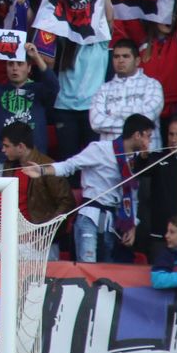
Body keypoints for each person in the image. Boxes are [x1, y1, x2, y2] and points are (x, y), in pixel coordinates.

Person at [26, 112, 155, 264]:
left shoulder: (134, 162)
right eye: (148, 136)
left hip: (111, 222)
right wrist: (42, 170)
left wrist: (132, 225)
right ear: (137, 135)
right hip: (90, 217)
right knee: (87, 267)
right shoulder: (100, 149)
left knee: (106, 272)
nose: (149, 141)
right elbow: (70, 165)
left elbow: (132, 196)